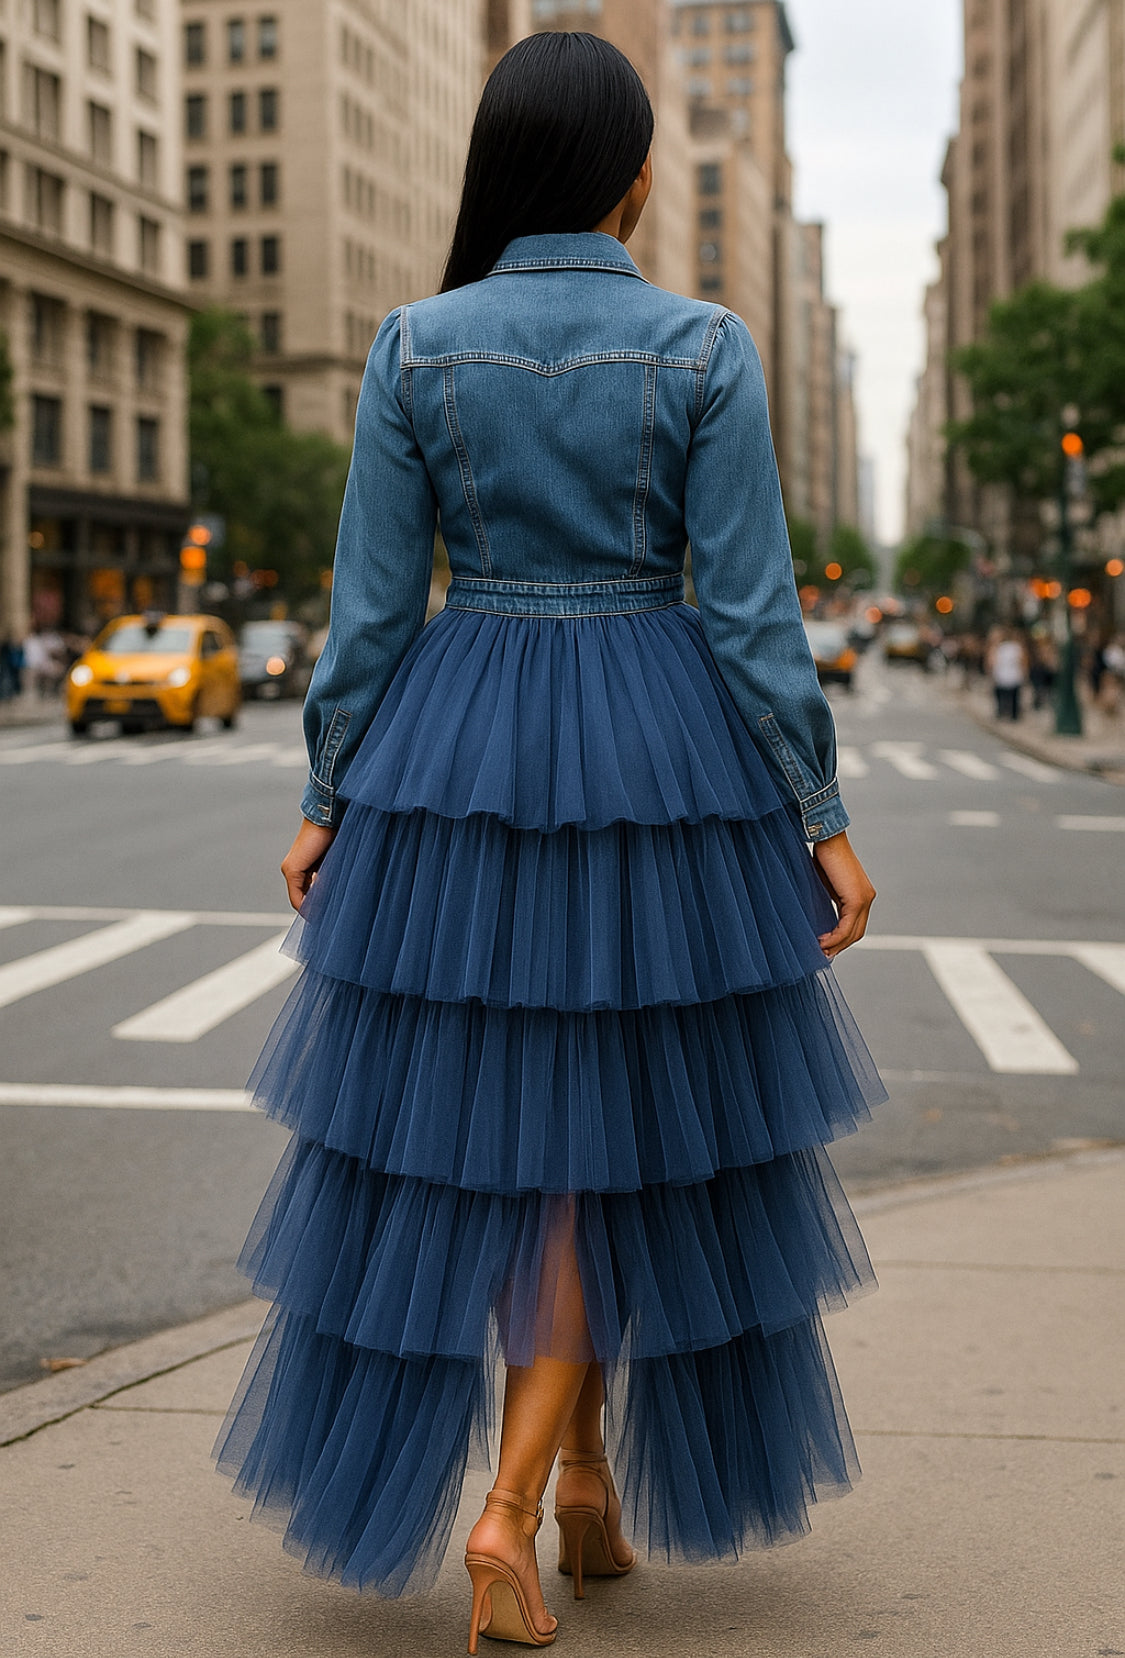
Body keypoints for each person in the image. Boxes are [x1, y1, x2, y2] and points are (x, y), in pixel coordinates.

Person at [215, 32, 883, 1650]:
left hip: (463, 756)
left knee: (544, 1133)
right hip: (660, 759)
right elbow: (754, 616)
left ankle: (589, 1480)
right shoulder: (704, 343)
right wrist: (822, 815)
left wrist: (324, 796)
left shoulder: (412, 345)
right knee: (618, 1142)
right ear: (636, 178)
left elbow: (369, 615)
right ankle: (513, 1504)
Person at [988, 626, 1028, 720]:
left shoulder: (1000, 648)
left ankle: (1002, 713)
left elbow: (992, 661)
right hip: (1010, 676)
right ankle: (1012, 715)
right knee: (1013, 697)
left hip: (1004, 675)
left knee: (1003, 696)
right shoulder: (1016, 648)